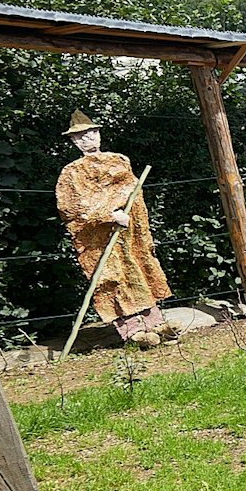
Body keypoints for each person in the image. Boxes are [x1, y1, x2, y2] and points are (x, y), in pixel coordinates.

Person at [54, 110, 176, 347]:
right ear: (73, 142)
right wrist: (108, 215)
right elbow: (72, 207)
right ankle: (132, 330)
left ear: (98, 134)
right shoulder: (71, 173)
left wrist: (132, 219)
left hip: (129, 232)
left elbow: (133, 192)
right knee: (111, 278)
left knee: (139, 269)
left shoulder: (119, 160)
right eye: (79, 137)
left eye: (89, 134)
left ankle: (156, 323)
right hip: (98, 237)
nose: (85, 140)